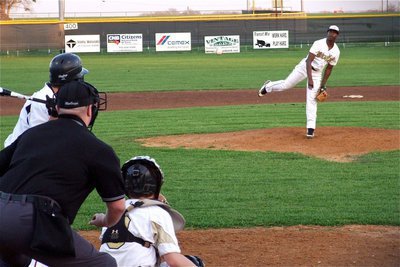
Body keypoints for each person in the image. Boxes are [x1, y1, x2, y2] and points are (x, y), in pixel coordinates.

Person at [0, 80, 126, 267]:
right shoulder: (99, 150)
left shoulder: (30, 135)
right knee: (104, 264)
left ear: (56, 108)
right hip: (34, 219)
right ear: (91, 110)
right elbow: (117, 207)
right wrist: (105, 220)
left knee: (17, 261)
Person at [99, 156, 204, 267]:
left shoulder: (113, 212)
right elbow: (173, 260)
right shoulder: (157, 212)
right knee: (193, 263)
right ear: (156, 185)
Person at [258, 25, 341, 139]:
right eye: (330, 31)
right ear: (327, 32)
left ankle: (310, 129)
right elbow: (308, 61)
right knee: (286, 85)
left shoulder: (336, 51)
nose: (332, 34)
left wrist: (323, 86)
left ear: (337, 35)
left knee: (312, 100)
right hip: (304, 67)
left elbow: (329, 69)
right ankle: (269, 86)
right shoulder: (318, 43)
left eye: (335, 32)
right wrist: (310, 79)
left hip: (317, 73)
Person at [3, 52, 89, 147]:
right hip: (17, 155)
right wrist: (53, 115)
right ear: (72, 80)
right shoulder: (40, 102)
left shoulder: (60, 98)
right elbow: (39, 139)